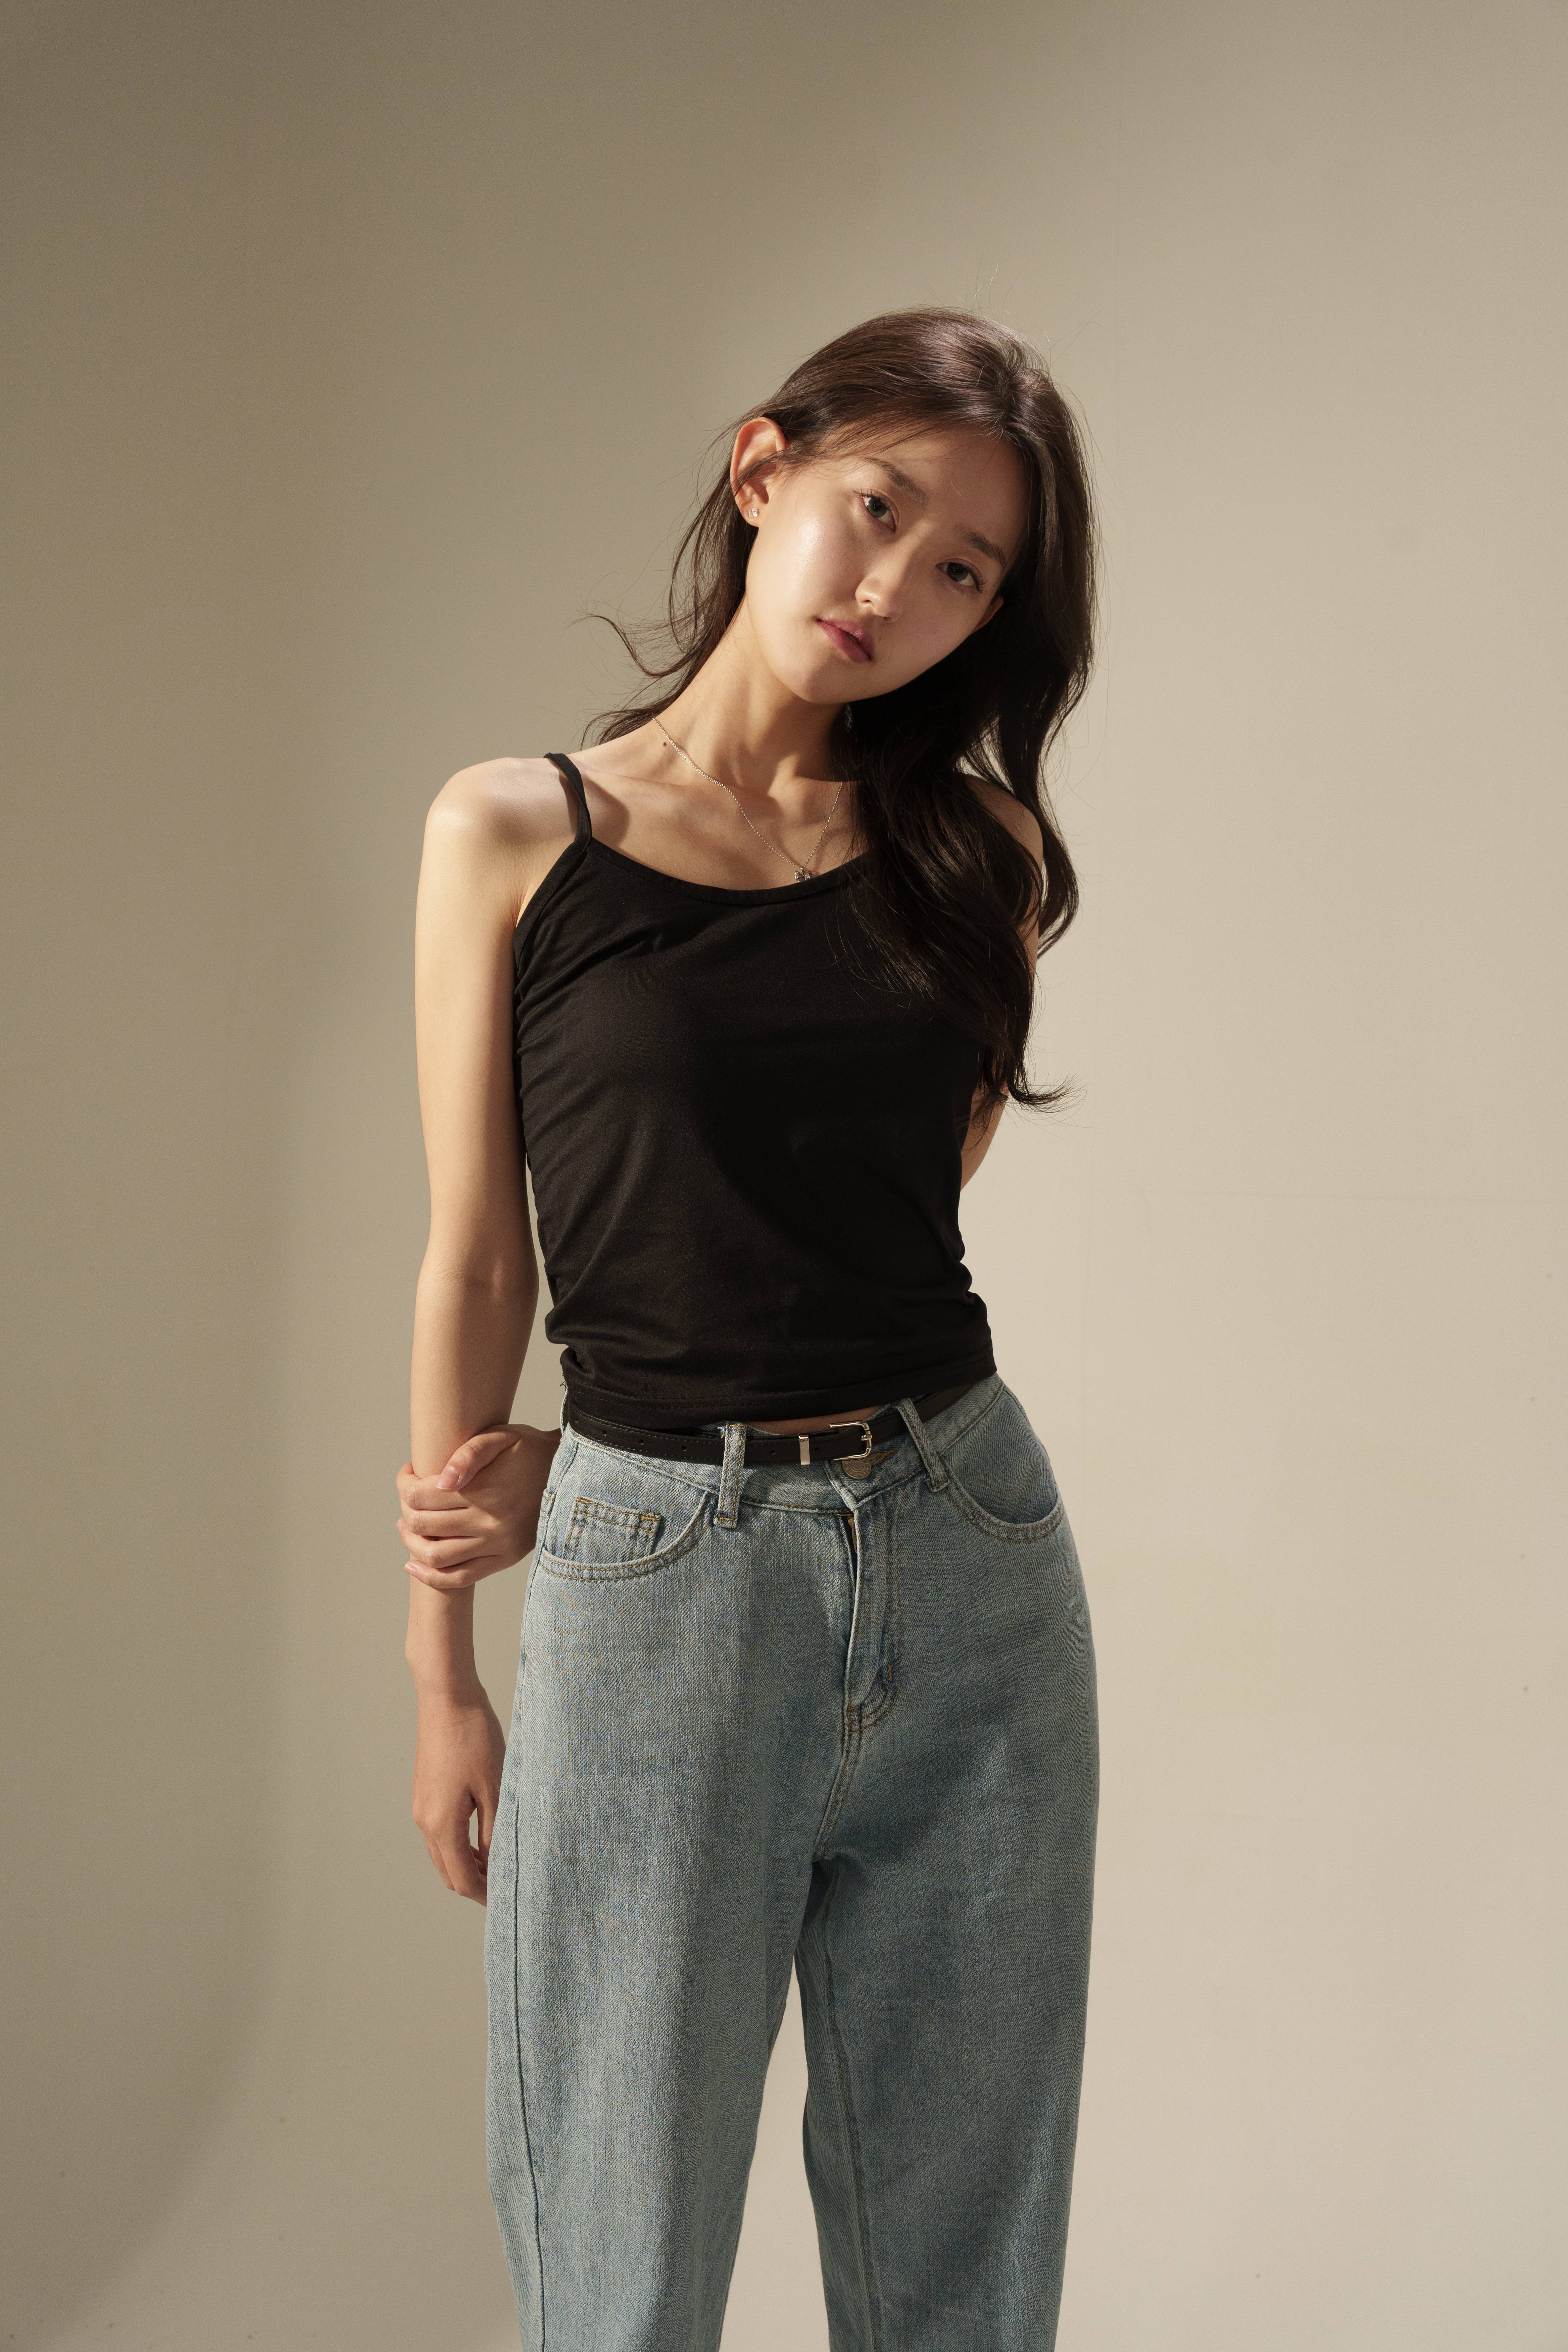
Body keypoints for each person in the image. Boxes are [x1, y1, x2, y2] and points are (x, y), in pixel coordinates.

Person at [393, 306, 1100, 2351]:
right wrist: (443, 1670)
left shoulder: (982, 860)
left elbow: (872, 1224)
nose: (896, 588)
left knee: (963, 2283)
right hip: (663, 1590)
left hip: (971, 1556)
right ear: (763, 466)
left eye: (963, 570)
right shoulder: (512, 833)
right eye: (876, 510)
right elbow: (481, 1263)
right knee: (617, 2266)